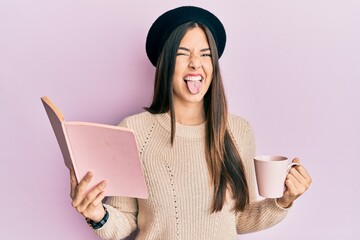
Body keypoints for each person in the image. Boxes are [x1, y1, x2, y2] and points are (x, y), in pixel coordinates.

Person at [70, 6, 312, 240]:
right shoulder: (134, 130)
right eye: (182, 53)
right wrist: (97, 214)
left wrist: (284, 200)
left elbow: (240, 218)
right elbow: (124, 223)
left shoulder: (239, 131)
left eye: (205, 54)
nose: (196, 63)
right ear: (165, 64)